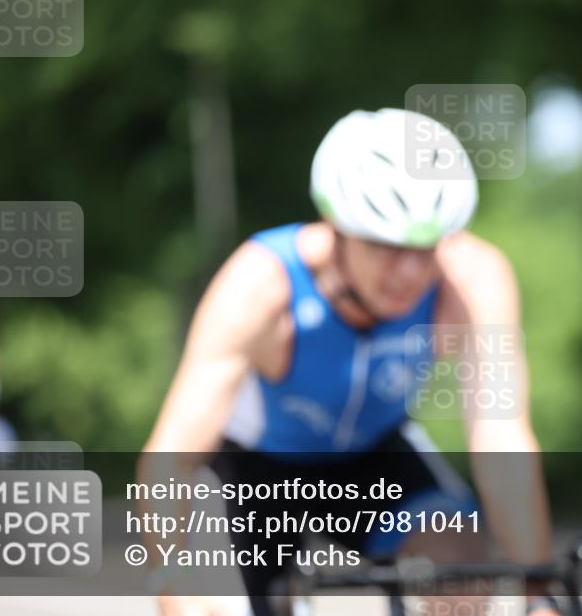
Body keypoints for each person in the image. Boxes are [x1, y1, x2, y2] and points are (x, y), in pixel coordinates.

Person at [143, 109, 559, 616]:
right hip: (251, 469)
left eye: (426, 247)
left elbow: (500, 436)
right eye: (384, 246)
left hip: (374, 456)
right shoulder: (259, 288)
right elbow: (171, 455)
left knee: (459, 574)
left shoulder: (470, 281)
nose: (408, 272)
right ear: (335, 227)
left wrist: (538, 590)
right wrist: (172, 575)